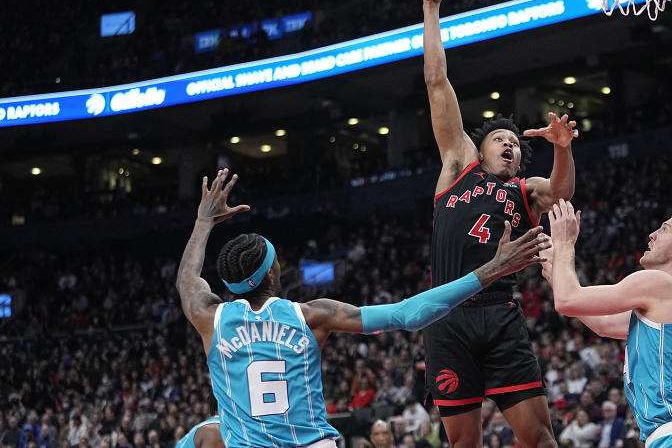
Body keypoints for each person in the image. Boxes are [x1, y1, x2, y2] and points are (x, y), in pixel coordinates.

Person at [176, 169, 549, 448]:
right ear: (273, 270)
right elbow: (409, 314)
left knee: (202, 435)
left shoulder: (209, 317)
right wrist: (493, 269)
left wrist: (203, 222)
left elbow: (188, 280)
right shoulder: (312, 314)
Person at [410, 0, 577, 448]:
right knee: (464, 443)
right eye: (500, 140)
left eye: (516, 143)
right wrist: (431, 7)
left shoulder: (524, 192)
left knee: (540, 437)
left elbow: (562, 193)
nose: (509, 146)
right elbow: (437, 83)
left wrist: (562, 148)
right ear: (479, 148)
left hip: (500, 313)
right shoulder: (456, 165)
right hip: (446, 315)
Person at [542, 200, 672, 447]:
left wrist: (564, 243)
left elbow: (567, 300)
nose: (652, 235)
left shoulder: (661, 284)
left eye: (664, 229)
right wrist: (555, 272)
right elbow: (603, 324)